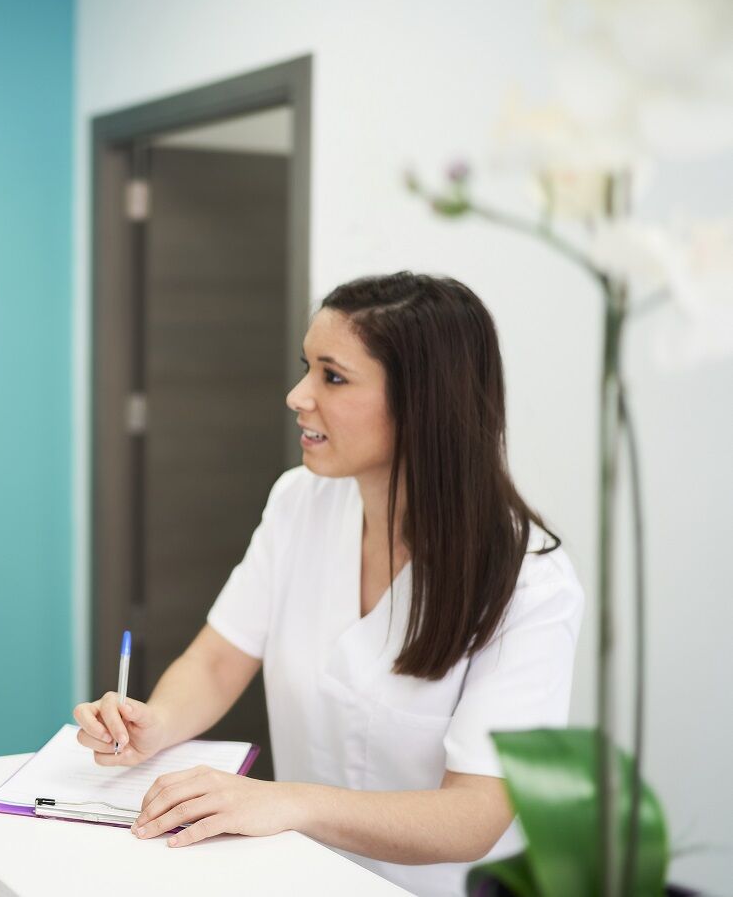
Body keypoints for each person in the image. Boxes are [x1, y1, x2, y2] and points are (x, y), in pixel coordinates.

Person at [73, 272, 584, 897]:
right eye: (306, 367)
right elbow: (216, 661)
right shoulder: (301, 502)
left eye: (332, 377)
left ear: (423, 402)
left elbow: (476, 815)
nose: (297, 395)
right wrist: (154, 723)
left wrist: (289, 803)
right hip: (304, 876)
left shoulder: (530, 583)